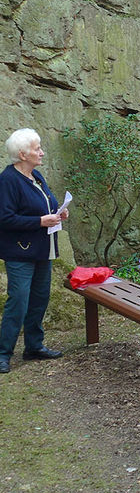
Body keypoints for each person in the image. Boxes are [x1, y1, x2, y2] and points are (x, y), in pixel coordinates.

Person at [0, 129, 67, 374]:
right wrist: (40, 221)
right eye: (36, 149)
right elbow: (5, 218)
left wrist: (59, 213)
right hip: (20, 252)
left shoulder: (36, 176)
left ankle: (34, 346)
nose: (42, 152)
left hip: (42, 250)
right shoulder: (8, 180)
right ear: (21, 154)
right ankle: (3, 353)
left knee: (40, 299)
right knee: (18, 301)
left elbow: (45, 204)